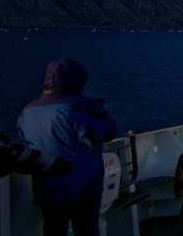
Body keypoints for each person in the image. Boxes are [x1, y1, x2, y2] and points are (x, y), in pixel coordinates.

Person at [17, 59, 116, 236]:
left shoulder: (27, 110)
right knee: (86, 230)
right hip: (83, 186)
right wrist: (97, 110)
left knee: (53, 230)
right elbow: (108, 131)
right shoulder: (80, 106)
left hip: (47, 187)